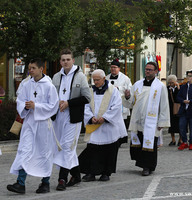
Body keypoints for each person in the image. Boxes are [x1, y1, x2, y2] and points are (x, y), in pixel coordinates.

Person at [7, 59, 59, 194]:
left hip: (43, 124)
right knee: (25, 150)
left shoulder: (49, 86)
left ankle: (45, 182)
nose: (30, 70)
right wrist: (24, 105)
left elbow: (53, 106)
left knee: (44, 152)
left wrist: (36, 106)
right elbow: (20, 100)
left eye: (33, 68)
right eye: (29, 68)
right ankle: (20, 183)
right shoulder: (26, 84)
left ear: (41, 69)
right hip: (30, 122)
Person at [52, 49, 91, 190]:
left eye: (68, 59)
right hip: (58, 117)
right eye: (63, 60)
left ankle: (62, 178)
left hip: (73, 117)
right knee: (64, 147)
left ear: (73, 60)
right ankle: (76, 175)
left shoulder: (80, 77)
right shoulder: (56, 77)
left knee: (67, 146)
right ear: (60, 61)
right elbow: (51, 96)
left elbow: (87, 97)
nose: (65, 62)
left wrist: (69, 102)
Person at [78, 69, 127, 182]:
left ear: (104, 79)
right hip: (95, 126)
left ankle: (106, 172)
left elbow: (116, 106)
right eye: (94, 80)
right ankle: (92, 172)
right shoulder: (91, 91)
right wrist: (91, 117)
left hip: (108, 126)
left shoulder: (113, 91)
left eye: (97, 80)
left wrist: (105, 118)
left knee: (109, 150)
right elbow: (86, 106)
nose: (95, 82)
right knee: (94, 150)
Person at [123, 62, 170, 176]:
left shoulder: (160, 86)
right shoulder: (137, 84)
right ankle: (142, 164)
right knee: (140, 142)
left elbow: (164, 105)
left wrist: (162, 121)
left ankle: (148, 167)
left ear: (155, 71)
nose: (147, 71)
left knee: (150, 143)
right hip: (138, 119)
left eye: (150, 69)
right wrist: (128, 96)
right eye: (146, 69)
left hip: (152, 121)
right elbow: (131, 103)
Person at [106, 59, 132, 146]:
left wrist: (119, 89)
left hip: (121, 103)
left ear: (119, 68)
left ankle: (120, 140)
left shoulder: (125, 79)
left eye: (115, 67)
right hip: (109, 104)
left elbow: (129, 90)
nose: (113, 69)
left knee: (120, 122)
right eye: (111, 67)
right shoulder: (106, 78)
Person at [166, 74, 181, 146]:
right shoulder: (167, 89)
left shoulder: (180, 88)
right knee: (171, 125)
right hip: (170, 108)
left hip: (179, 108)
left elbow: (180, 97)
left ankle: (180, 139)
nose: (171, 84)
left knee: (180, 124)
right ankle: (173, 139)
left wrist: (178, 89)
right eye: (169, 82)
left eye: (172, 82)